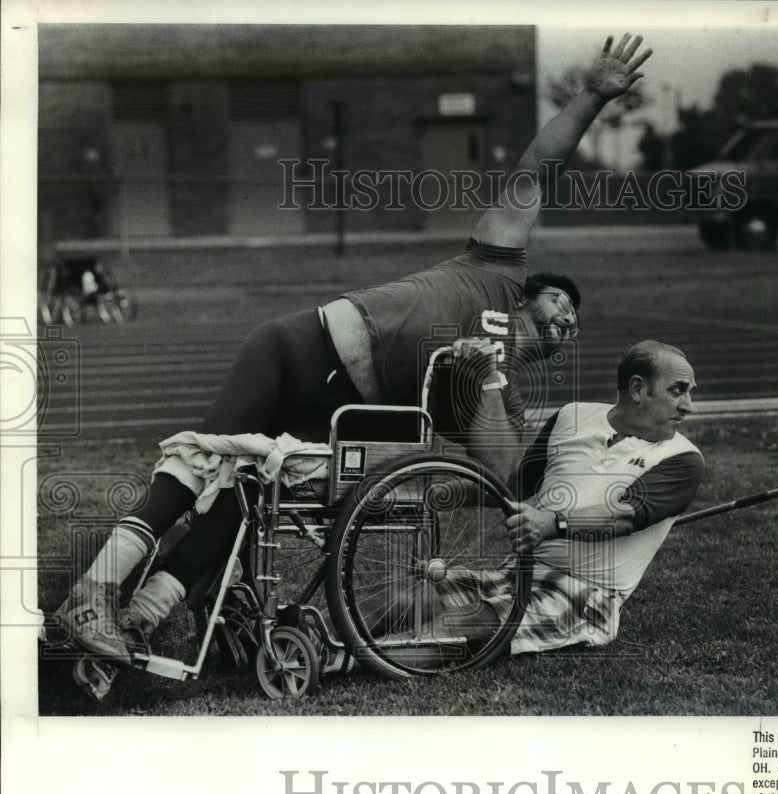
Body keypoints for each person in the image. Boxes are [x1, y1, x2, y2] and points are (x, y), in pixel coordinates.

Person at [54, 32, 654, 662]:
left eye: (576, 321)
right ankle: (91, 596)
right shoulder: (498, 265)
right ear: (533, 292)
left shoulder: (500, 390)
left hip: (335, 411)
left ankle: (145, 614)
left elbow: (499, 472)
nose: (569, 318)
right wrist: (589, 98)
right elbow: (536, 169)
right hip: (304, 348)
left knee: (254, 489)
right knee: (204, 459)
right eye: (563, 301)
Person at [436, 339, 704, 654]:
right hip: (520, 570)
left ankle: (365, 660)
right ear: (637, 388)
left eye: (689, 392)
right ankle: (364, 648)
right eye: (678, 390)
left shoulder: (685, 458)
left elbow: (621, 518)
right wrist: (449, 493)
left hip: (585, 594)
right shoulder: (571, 416)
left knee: (456, 626)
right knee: (408, 596)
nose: (688, 405)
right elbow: (520, 486)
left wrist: (553, 523)